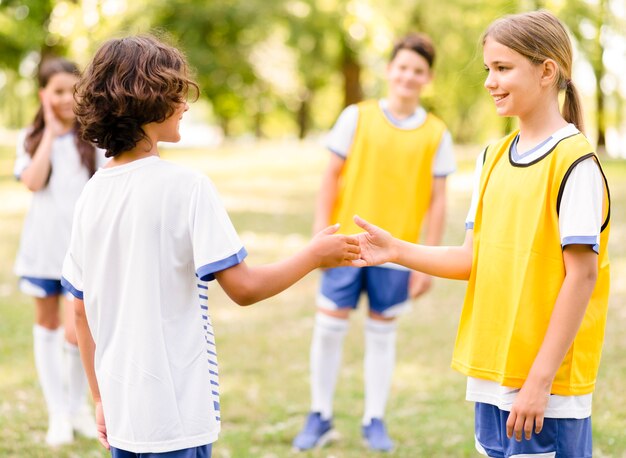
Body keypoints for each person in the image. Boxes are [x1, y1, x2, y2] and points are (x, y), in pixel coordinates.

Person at [61, 35, 362, 457]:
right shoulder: (187, 188)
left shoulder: (90, 195)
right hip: (177, 416)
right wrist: (313, 256)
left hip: (123, 415)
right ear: (150, 101)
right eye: (177, 93)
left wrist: (98, 398)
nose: (185, 104)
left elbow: (79, 309)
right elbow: (244, 288)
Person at [352, 10, 610, 458]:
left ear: (547, 71)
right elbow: (473, 259)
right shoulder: (492, 156)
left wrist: (538, 382)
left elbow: (581, 279)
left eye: (503, 68)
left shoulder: (574, 162)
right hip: (492, 377)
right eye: (489, 69)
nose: (490, 81)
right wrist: (396, 249)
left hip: (545, 390)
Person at [292, 33, 455, 452]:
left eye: (417, 70)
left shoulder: (437, 134)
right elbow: (331, 176)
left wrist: (427, 262)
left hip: (398, 254)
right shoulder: (357, 116)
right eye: (401, 67)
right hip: (345, 246)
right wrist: (319, 236)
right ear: (389, 70)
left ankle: (374, 420)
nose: (408, 76)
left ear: (428, 78)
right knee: (329, 328)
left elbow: (438, 202)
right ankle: (319, 415)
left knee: (383, 335)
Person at [13, 57, 104, 446]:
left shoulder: (96, 138)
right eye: (59, 91)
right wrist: (50, 131)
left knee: (76, 331)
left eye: (73, 90)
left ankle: (77, 406)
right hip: (42, 250)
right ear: (44, 94)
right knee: (47, 327)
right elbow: (32, 182)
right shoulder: (31, 138)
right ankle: (57, 413)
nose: (67, 98)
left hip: (81, 253)